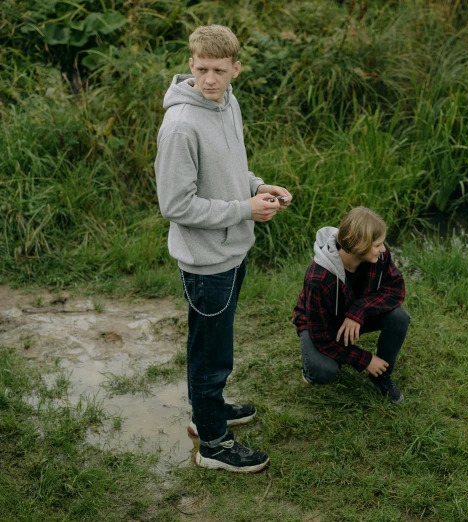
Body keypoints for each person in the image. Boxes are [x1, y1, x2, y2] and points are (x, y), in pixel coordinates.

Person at [155, 24, 291, 473]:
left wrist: (256, 187)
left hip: (233, 250)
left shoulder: (227, 104)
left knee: (219, 348)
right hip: (205, 262)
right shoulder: (180, 126)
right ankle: (212, 443)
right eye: (200, 69)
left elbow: (230, 169)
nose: (208, 79)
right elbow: (175, 204)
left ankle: (206, 412)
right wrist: (243, 208)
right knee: (209, 355)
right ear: (190, 64)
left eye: (218, 70)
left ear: (236, 68)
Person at [293, 207, 411, 403]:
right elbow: (321, 336)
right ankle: (311, 369)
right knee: (324, 371)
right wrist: (365, 359)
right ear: (359, 245)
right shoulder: (318, 277)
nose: (383, 249)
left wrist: (359, 311)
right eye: (378, 245)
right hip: (322, 325)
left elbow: (396, 289)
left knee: (399, 317)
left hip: (354, 316)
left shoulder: (379, 255)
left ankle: (380, 377)